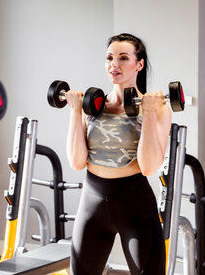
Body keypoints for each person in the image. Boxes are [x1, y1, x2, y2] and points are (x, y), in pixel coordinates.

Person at [65, 33, 171, 275]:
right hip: (91, 204)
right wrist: (74, 112)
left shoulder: (157, 108)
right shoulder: (91, 107)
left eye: (124, 58)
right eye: (110, 58)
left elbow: (148, 167)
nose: (115, 64)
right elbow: (77, 162)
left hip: (135, 206)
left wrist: (150, 113)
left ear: (139, 64)